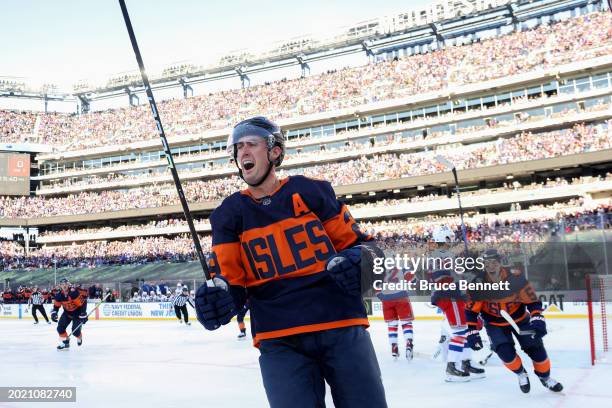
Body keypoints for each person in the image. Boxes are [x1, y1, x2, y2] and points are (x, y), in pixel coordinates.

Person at [194, 116, 387, 408]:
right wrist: (217, 302)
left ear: (275, 152)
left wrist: (358, 260)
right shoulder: (228, 215)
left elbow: (366, 249)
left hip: (340, 324)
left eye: (252, 144)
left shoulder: (312, 192)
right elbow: (231, 282)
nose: (243, 152)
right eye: (238, 147)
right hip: (279, 337)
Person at [465, 249, 563, 393]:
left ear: (500, 263)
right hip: (495, 325)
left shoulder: (516, 278)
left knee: (537, 350)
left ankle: (545, 378)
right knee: (505, 353)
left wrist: (537, 317)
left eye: (494, 262)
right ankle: (520, 373)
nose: (491, 266)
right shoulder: (477, 283)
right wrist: (472, 331)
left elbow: (533, 302)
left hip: (521, 320)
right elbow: (471, 311)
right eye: (487, 263)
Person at [427, 225, 484, 381]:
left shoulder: (443, 255)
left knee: (465, 330)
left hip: (452, 296)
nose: (451, 240)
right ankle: (451, 368)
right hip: (450, 297)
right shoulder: (442, 256)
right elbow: (444, 279)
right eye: (449, 237)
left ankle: (465, 362)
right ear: (443, 238)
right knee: (460, 332)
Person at [376, 264, 415, 359]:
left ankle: (394, 346)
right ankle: (409, 343)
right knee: (406, 322)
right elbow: (412, 279)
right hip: (401, 296)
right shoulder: (402, 266)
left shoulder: (379, 268)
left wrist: (382, 297)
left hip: (386, 299)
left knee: (392, 325)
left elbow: (376, 286)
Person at [51, 278, 88, 350]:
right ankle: (65, 343)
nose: (64, 286)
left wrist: (83, 314)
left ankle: (79, 337)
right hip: (67, 314)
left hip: (77, 314)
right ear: (60, 286)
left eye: (65, 284)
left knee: (75, 332)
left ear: (68, 285)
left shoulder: (73, 292)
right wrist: (54, 313)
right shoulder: (58, 295)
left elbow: (83, 303)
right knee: (60, 328)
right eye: (62, 284)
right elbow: (56, 306)